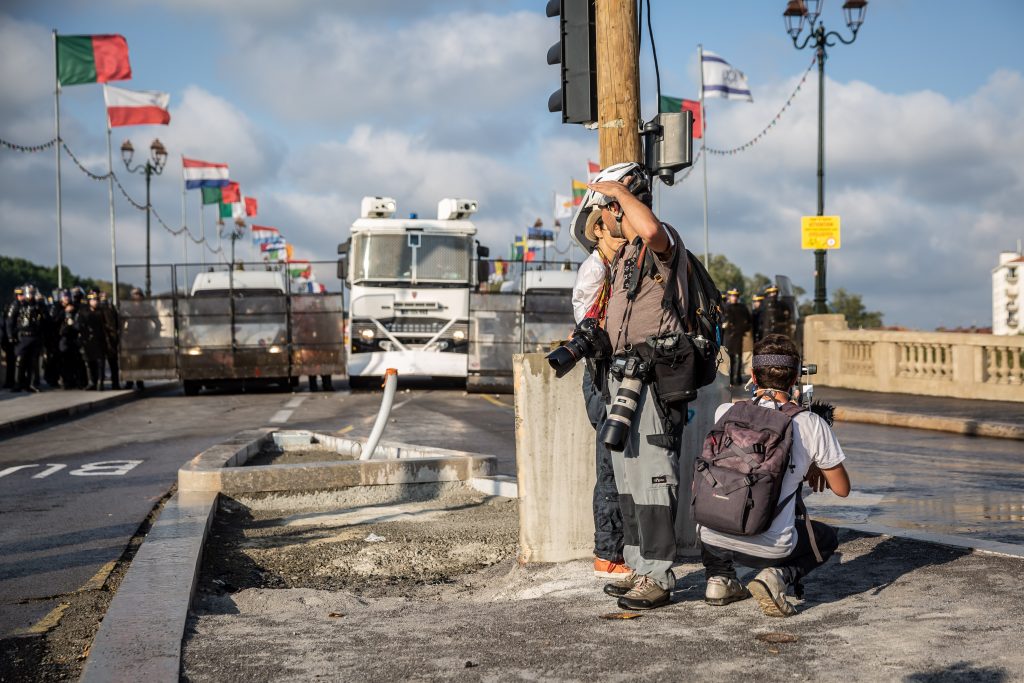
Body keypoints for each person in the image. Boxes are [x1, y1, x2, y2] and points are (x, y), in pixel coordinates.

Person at [572, 161, 689, 611]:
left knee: (653, 480)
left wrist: (619, 193)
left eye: (609, 209)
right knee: (628, 479)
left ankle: (658, 575)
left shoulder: (662, 243)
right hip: (626, 376)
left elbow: (652, 228)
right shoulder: (622, 258)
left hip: (655, 378)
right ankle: (639, 565)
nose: (606, 219)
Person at [698, 333, 850, 617]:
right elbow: (842, 489)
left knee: (717, 499)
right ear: (794, 380)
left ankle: (719, 579)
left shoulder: (726, 411)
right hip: (771, 547)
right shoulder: (810, 423)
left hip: (711, 536)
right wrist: (812, 463)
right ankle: (776, 576)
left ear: (753, 376)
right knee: (827, 538)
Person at [571, 206, 628, 579]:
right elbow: (588, 324)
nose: (622, 235)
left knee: (619, 464)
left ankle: (617, 549)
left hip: (610, 373)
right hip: (602, 374)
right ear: (598, 232)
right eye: (614, 230)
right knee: (609, 463)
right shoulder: (595, 270)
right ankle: (607, 553)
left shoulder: (616, 267)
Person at [78, 292, 108, 390]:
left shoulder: (102, 312)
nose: (95, 302)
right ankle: (91, 382)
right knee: (89, 363)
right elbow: (79, 326)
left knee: (100, 362)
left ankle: (100, 381)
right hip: (87, 341)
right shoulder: (83, 312)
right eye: (93, 300)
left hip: (100, 340)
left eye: (96, 300)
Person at [722, 288, 752, 386]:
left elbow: (748, 321)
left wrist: (743, 328)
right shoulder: (725, 307)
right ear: (729, 297)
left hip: (739, 336)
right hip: (729, 336)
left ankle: (738, 378)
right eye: (732, 296)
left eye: (735, 296)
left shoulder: (742, 308)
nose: (734, 298)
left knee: (738, 357)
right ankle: (729, 379)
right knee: (729, 359)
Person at [99, 291, 121, 390]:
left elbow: (116, 322)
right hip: (103, 338)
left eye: (105, 297)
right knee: (101, 363)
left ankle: (115, 383)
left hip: (111, 339)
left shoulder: (111, 308)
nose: (104, 298)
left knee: (113, 363)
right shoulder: (98, 309)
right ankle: (101, 383)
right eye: (102, 297)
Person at [2, 287, 22, 389]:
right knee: (11, 361)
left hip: (16, 337)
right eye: (18, 295)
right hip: (12, 338)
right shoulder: (13, 306)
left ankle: (14, 381)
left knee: (15, 361)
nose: (20, 297)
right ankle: (11, 381)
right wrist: (10, 336)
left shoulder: (22, 305)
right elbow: (9, 323)